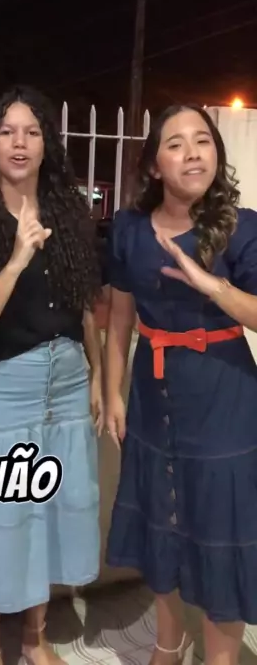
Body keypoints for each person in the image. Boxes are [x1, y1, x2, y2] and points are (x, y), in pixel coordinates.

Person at [0, 86, 102, 665]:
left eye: (32, 131)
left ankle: (35, 639)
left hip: (68, 384)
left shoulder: (70, 219)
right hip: (5, 389)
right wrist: (14, 262)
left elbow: (86, 311)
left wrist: (100, 380)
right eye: (7, 131)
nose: (19, 142)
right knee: (0, 520)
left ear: (46, 144)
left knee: (47, 514)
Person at [105, 104, 257, 665]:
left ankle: (220, 657)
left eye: (203, 140)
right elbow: (119, 317)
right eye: (176, 143)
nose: (193, 153)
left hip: (225, 399)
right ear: (153, 165)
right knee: (161, 523)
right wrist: (112, 391)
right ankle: (169, 642)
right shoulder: (128, 228)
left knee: (221, 530)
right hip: (153, 396)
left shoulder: (242, 227)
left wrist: (213, 286)